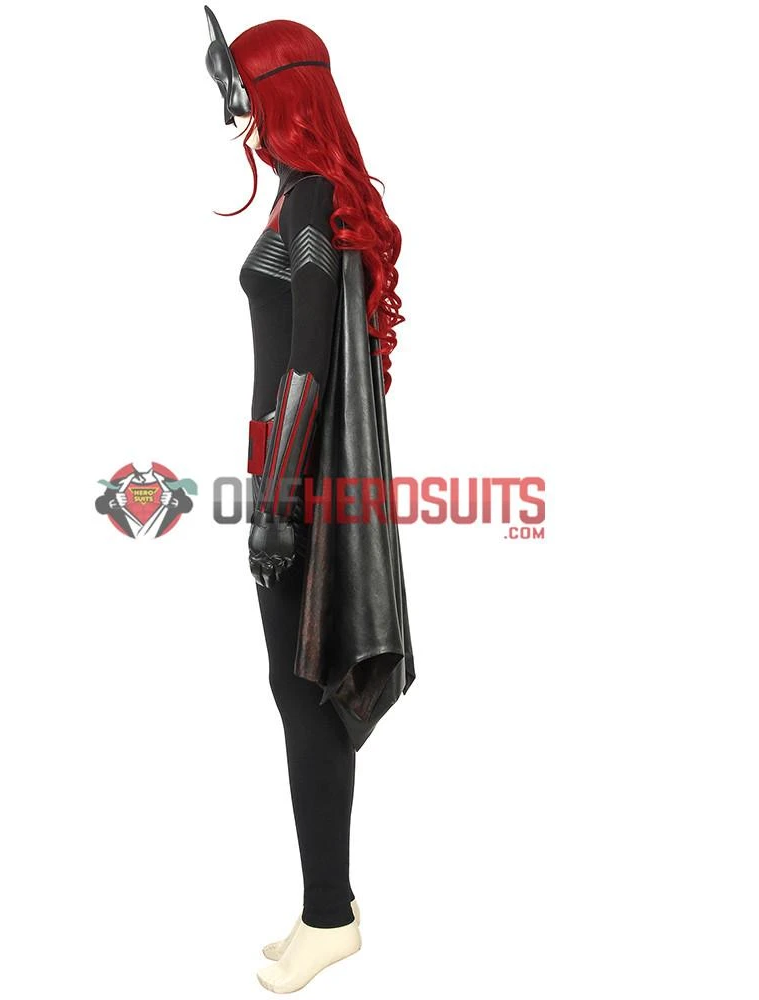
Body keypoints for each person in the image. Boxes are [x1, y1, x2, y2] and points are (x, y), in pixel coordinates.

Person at [204, 9, 416, 993]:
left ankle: (328, 915)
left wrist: (276, 506)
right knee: (298, 686)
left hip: (296, 486)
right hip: (291, 477)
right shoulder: (308, 196)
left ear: (281, 97)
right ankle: (324, 908)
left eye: (244, 99)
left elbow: (304, 372)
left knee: (302, 689)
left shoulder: (309, 204)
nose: (236, 120)